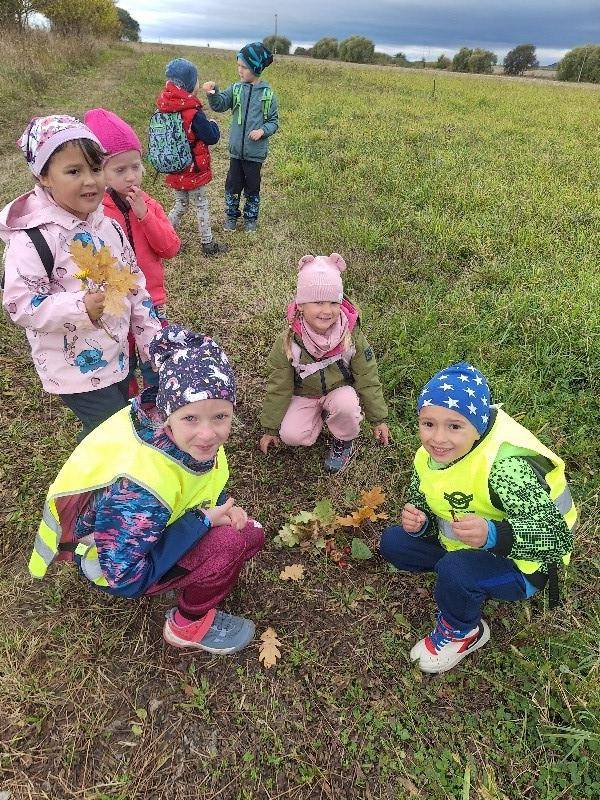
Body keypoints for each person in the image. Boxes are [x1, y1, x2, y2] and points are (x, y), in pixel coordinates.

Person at [29, 325, 265, 654]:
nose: (208, 434)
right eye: (191, 419)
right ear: (168, 416)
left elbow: (198, 481)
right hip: (111, 564)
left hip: (144, 531)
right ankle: (186, 625)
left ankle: (188, 570)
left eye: (221, 416)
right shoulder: (140, 491)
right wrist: (202, 522)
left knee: (251, 534)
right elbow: (126, 578)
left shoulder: (179, 435)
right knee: (228, 544)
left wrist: (222, 505)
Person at [379, 361, 576, 674]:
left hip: (527, 565)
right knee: (393, 543)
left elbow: (556, 539)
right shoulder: (428, 456)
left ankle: (464, 631)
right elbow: (426, 497)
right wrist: (421, 522)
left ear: (479, 426)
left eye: (455, 426)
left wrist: (494, 535)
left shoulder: (507, 468)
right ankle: (459, 573)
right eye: (428, 423)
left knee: (455, 570)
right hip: (468, 540)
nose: (437, 438)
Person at [0, 114, 161, 439]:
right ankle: (88, 487)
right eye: (74, 171)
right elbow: (20, 304)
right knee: (118, 432)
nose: (90, 181)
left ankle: (93, 465)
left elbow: (134, 285)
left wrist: (151, 339)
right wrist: (79, 308)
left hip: (116, 356)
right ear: (43, 175)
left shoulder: (109, 226)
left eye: (96, 168)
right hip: (74, 369)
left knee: (108, 429)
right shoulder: (33, 238)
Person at [259, 253, 390, 473]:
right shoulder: (288, 342)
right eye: (318, 302)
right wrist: (270, 427)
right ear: (301, 305)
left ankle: (343, 438)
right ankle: (319, 415)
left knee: (346, 406)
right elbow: (278, 387)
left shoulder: (351, 336)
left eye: (333, 302)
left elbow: (368, 377)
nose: (327, 310)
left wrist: (378, 419)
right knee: (291, 435)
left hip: (339, 390)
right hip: (305, 394)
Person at [83, 107, 180, 396]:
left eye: (135, 167)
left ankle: (159, 401)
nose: (130, 177)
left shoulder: (148, 203)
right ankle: (131, 409)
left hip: (150, 301)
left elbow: (170, 247)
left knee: (156, 359)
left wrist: (144, 216)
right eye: (120, 169)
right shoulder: (95, 213)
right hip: (112, 305)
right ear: (99, 172)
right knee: (121, 364)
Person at [203, 42, 279, 233]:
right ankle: (231, 216)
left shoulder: (267, 94)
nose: (240, 70)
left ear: (256, 67)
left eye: (244, 67)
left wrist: (262, 131)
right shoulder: (236, 89)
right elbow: (220, 104)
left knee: (252, 188)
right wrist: (213, 93)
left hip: (255, 154)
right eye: (238, 66)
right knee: (232, 185)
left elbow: (273, 121)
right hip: (236, 152)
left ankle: (250, 219)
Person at [156, 58, 228, 256]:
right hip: (192, 169)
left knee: (180, 204)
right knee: (201, 205)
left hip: (173, 166)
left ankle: (165, 236)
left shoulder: (163, 108)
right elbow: (211, 137)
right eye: (196, 80)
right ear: (189, 85)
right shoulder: (192, 113)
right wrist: (213, 123)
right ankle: (208, 243)